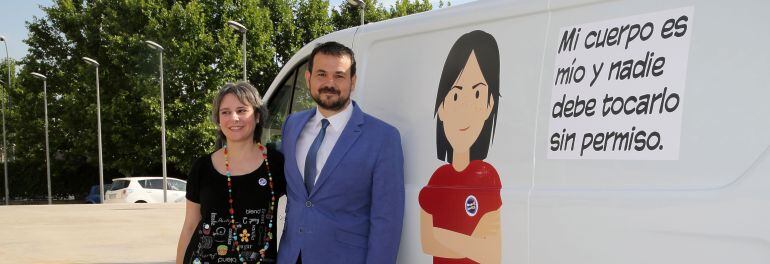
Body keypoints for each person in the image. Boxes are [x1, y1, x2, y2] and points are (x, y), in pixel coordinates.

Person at [276, 41, 405, 264]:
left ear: (352, 81)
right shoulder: (292, 125)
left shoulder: (383, 138)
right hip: (291, 256)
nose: (329, 83)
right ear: (308, 78)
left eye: (339, 75)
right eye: (321, 74)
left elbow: (387, 222)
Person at [176, 81, 286, 264]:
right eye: (225, 112)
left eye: (242, 110)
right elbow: (190, 225)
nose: (234, 118)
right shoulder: (202, 167)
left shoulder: (277, 164)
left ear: (257, 116)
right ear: (218, 120)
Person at [418, 30, 502, 264]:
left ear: (489, 105)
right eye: (455, 96)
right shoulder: (436, 178)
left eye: (477, 94)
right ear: (442, 106)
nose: (464, 108)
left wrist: (441, 235)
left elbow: (491, 254)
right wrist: (471, 241)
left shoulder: (487, 176)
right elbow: (427, 243)